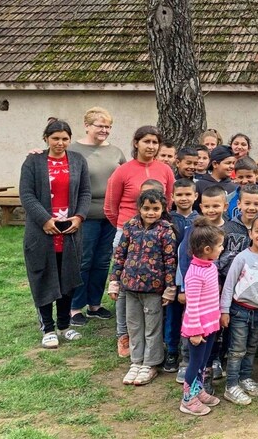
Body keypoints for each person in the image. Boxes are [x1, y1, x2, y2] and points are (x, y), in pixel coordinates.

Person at [20, 119, 92, 349]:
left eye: (64, 138)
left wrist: (79, 216)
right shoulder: (33, 162)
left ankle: (64, 325)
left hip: (69, 231)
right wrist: (45, 220)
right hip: (42, 231)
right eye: (55, 138)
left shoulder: (78, 161)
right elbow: (27, 194)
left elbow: (85, 192)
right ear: (46, 139)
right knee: (42, 277)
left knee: (68, 279)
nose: (60, 143)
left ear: (70, 139)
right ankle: (48, 328)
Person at [104, 125, 175, 356]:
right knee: (125, 288)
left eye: (155, 142)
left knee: (153, 287)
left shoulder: (165, 170)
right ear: (136, 143)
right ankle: (123, 334)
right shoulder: (123, 171)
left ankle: (152, 337)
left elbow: (169, 200)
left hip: (157, 234)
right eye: (146, 141)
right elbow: (110, 206)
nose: (151, 146)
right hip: (128, 232)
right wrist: (126, 225)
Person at [108, 188, 176, 386]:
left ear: (163, 208)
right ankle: (136, 361)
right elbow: (120, 255)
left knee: (152, 327)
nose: (150, 212)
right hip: (130, 287)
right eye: (146, 208)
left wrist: (170, 288)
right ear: (139, 208)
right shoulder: (130, 226)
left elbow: (171, 261)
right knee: (134, 326)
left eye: (155, 208)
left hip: (153, 289)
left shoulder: (165, 230)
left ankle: (151, 363)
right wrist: (114, 281)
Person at [68, 107, 126, 327]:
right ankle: (75, 307)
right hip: (84, 215)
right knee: (84, 260)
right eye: (100, 126)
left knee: (103, 261)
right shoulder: (73, 150)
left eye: (108, 126)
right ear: (87, 126)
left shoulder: (116, 152)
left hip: (111, 216)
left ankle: (94, 304)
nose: (104, 130)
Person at [220, 215, 258, 405]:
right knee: (237, 349)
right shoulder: (241, 257)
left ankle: (244, 378)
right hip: (239, 311)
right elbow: (229, 285)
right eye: (257, 231)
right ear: (250, 233)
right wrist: (224, 310)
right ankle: (231, 385)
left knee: (251, 348)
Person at [178, 219, 224, 416]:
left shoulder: (211, 267)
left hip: (211, 324)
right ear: (207, 249)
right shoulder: (195, 274)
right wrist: (195, 332)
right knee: (195, 363)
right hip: (198, 328)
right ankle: (188, 399)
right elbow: (193, 306)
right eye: (220, 245)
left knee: (204, 362)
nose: (222, 249)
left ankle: (199, 391)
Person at [164, 177, 199, 373]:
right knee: (173, 314)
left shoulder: (200, 221)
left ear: (195, 196)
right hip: (171, 276)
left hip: (193, 277)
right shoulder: (167, 220)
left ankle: (188, 353)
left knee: (191, 316)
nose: (184, 198)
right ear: (172, 197)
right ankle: (171, 349)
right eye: (179, 195)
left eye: (188, 194)